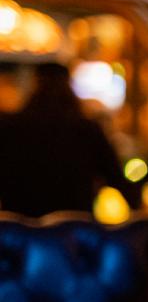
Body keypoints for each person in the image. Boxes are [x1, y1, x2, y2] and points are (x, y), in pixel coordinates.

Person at [0, 62, 140, 217]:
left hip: (20, 230)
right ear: (69, 86)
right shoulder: (87, 129)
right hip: (73, 228)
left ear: (34, 85)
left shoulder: (10, 127)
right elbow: (116, 178)